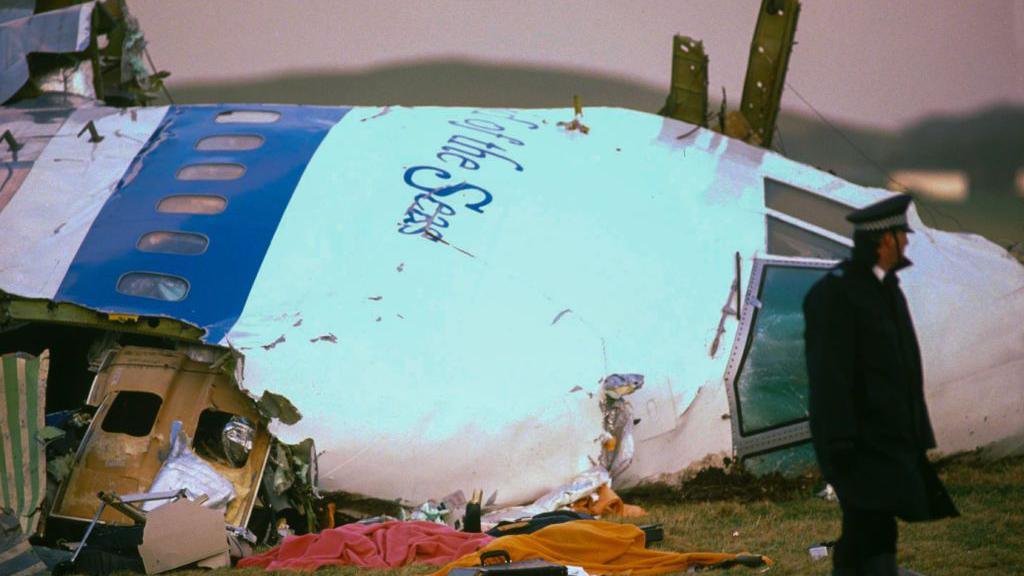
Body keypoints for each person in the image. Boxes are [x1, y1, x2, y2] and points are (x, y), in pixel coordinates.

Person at [803, 195, 958, 576]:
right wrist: (841, 445)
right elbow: (830, 376)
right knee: (873, 527)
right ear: (884, 240)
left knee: (867, 527)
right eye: (902, 234)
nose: (907, 242)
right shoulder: (837, 294)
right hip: (858, 442)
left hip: (885, 438)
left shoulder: (884, 288)